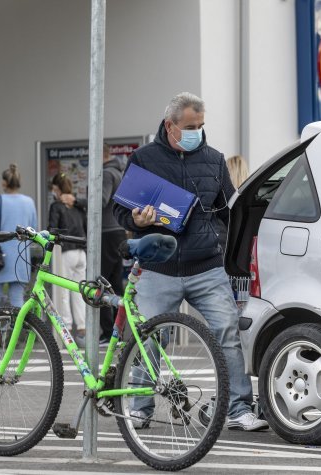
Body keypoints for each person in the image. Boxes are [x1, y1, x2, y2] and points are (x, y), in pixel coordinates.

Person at [113, 92, 268, 431]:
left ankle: (238, 408)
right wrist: (137, 222)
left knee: (227, 333)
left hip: (207, 267)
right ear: (170, 126)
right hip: (159, 267)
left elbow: (230, 210)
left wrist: (228, 248)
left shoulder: (214, 160)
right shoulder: (144, 158)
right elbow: (120, 209)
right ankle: (140, 406)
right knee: (149, 337)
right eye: (189, 126)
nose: (197, 132)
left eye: (200, 125)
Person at [60, 143, 127, 343]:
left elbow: (101, 200)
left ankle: (108, 332)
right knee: (115, 284)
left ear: (99, 156)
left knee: (101, 284)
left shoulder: (106, 174)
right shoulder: (118, 173)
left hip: (106, 233)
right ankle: (120, 331)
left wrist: (77, 201)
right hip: (118, 232)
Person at [0, 163, 37, 311]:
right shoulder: (29, 203)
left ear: (4, 182)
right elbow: (33, 231)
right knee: (17, 300)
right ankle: (16, 334)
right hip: (21, 258)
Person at [48, 172, 87, 345]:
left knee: (62, 293)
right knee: (79, 292)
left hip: (65, 252)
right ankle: (82, 329)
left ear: (56, 189)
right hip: (81, 253)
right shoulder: (77, 205)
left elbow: (52, 229)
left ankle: (66, 330)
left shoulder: (56, 206)